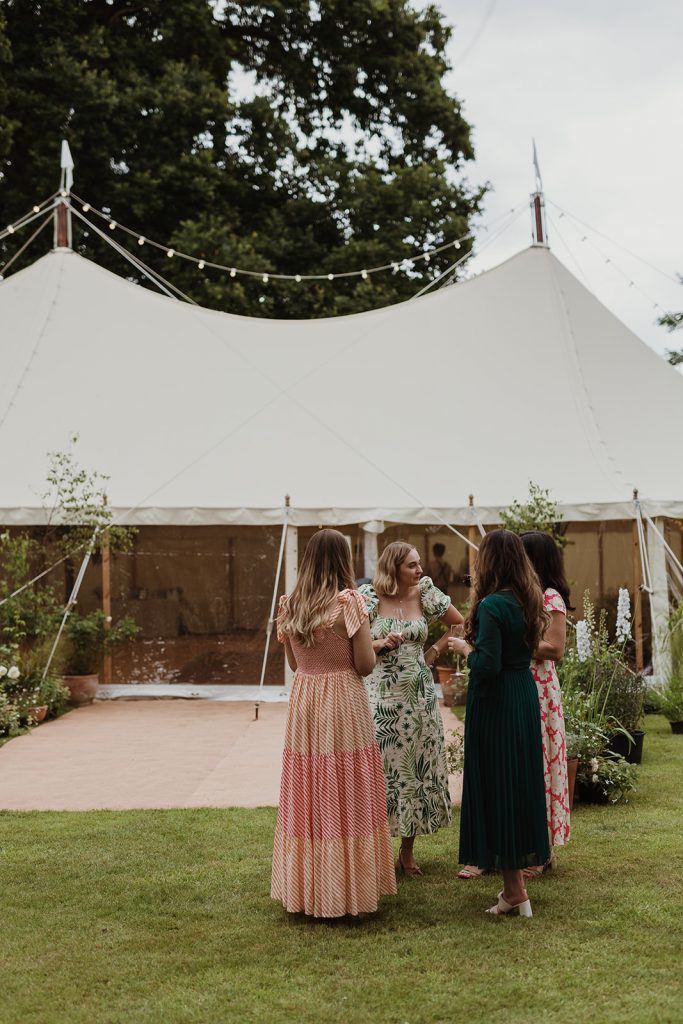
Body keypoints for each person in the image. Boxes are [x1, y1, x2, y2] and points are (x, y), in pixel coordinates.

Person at [272, 529, 396, 918]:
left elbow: (295, 664)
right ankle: (350, 893)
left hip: (306, 703)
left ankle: (310, 891)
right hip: (343, 702)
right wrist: (372, 646)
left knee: (310, 788)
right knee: (348, 785)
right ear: (343, 559)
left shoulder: (290, 605)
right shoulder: (349, 603)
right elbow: (363, 665)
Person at [448, 529, 550, 916]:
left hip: (497, 702)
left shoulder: (491, 605)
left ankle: (516, 892)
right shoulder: (528, 600)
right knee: (515, 783)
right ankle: (514, 889)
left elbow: (486, 666)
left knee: (498, 783)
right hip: (522, 693)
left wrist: (465, 649)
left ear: (490, 562)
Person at [360, 542, 464, 877]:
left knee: (415, 774)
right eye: (412, 566)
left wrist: (432, 651)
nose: (420, 571)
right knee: (382, 773)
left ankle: (407, 850)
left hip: (419, 699)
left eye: (419, 564)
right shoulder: (369, 598)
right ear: (393, 568)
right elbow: (352, 644)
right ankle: (375, 850)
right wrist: (377, 643)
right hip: (380, 699)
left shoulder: (426, 594)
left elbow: (458, 623)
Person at [521, 531, 572, 876]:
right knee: (527, 764)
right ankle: (531, 847)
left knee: (543, 764)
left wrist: (515, 641)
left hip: (541, 689)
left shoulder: (550, 597)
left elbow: (555, 649)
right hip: (522, 684)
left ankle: (544, 851)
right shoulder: (526, 595)